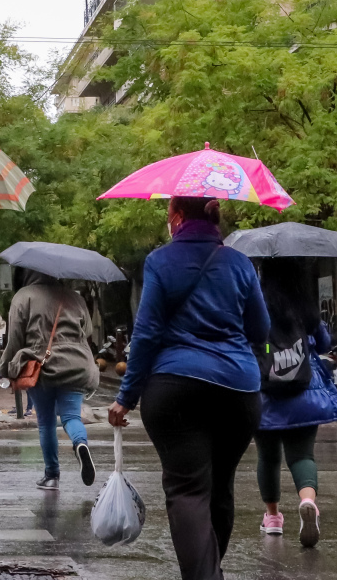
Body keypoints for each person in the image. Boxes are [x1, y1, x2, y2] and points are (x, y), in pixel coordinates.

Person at [108, 197, 269, 580]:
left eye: (168, 214)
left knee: (188, 490)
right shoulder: (240, 263)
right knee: (220, 487)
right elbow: (261, 330)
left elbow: (146, 334)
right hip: (237, 390)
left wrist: (126, 396)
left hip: (175, 389)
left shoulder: (160, 261)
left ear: (177, 217)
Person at [254, 258, 337, 548]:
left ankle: (273, 518)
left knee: (268, 458)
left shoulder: (256, 303)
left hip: (265, 395)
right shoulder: (304, 306)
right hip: (304, 393)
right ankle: (308, 502)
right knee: (302, 456)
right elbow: (323, 343)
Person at [0, 268, 98, 490]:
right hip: (76, 365)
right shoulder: (75, 298)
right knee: (71, 417)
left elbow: (15, 337)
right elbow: (88, 330)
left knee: (46, 422)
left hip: (41, 366)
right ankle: (80, 444)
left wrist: (4, 369)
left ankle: (52, 475)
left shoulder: (24, 296)